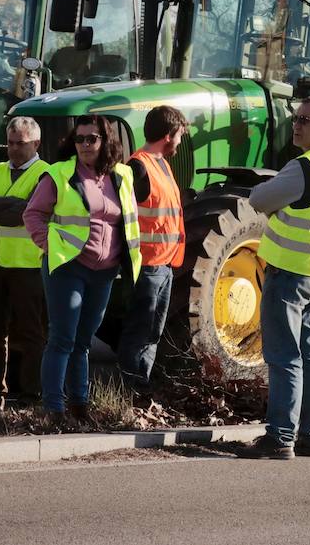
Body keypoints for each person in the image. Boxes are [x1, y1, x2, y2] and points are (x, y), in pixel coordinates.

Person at [239, 95, 310, 460]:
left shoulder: (304, 167)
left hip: (289, 276)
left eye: (306, 119)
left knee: (284, 357)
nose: (297, 124)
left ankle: (280, 436)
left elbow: (258, 197)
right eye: (297, 117)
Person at [24, 114, 141, 425]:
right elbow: (33, 214)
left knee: (83, 342)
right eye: (80, 139)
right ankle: (53, 409)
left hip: (104, 272)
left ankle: (79, 406)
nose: (85, 144)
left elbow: (128, 221)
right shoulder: (60, 173)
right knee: (62, 338)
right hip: (67, 267)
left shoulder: (122, 176)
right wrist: (50, 246)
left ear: (105, 141)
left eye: (92, 138)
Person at [0, 116, 51, 412]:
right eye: (10, 143)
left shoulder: (46, 175)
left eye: (21, 144)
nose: (14, 149)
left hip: (27, 266)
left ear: (36, 144)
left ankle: (31, 398)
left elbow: (24, 214)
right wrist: (11, 205)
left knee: (32, 334)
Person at [119, 105, 188, 400]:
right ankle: (129, 390)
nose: (181, 142)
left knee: (151, 333)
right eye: (180, 136)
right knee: (139, 330)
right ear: (168, 135)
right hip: (146, 265)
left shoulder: (160, 163)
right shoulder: (138, 167)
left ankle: (140, 387)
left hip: (165, 263)